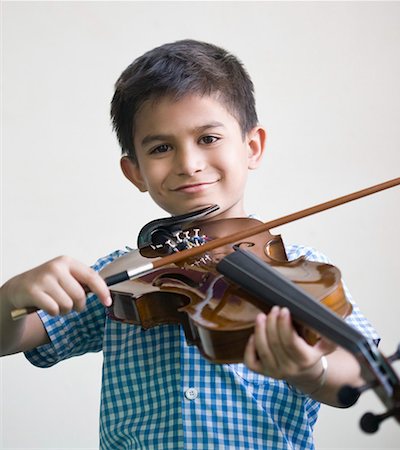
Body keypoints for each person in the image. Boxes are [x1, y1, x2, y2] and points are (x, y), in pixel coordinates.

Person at [1, 39, 379, 449]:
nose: (188, 164)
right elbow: (12, 337)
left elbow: (357, 367)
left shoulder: (300, 267)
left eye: (208, 138)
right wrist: (10, 298)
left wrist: (311, 371)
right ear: (135, 173)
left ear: (252, 147)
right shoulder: (122, 277)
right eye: (162, 148)